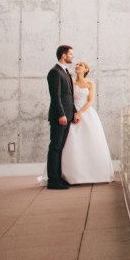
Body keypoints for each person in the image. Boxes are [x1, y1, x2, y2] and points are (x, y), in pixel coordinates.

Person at [61, 60, 115, 184]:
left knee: (92, 140)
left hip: (87, 113)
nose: (77, 66)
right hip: (72, 113)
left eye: (81, 65)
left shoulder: (90, 83)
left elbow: (90, 101)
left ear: (86, 69)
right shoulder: (71, 82)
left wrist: (79, 113)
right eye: (77, 65)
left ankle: (95, 174)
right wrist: (74, 113)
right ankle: (73, 175)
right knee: (73, 142)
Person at [45, 45, 79, 190]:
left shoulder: (65, 72)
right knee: (55, 147)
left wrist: (75, 112)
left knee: (60, 148)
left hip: (68, 116)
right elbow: (56, 97)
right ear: (64, 55)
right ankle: (53, 180)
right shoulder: (54, 72)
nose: (72, 56)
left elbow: (69, 96)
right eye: (70, 54)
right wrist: (61, 114)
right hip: (60, 117)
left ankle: (58, 178)